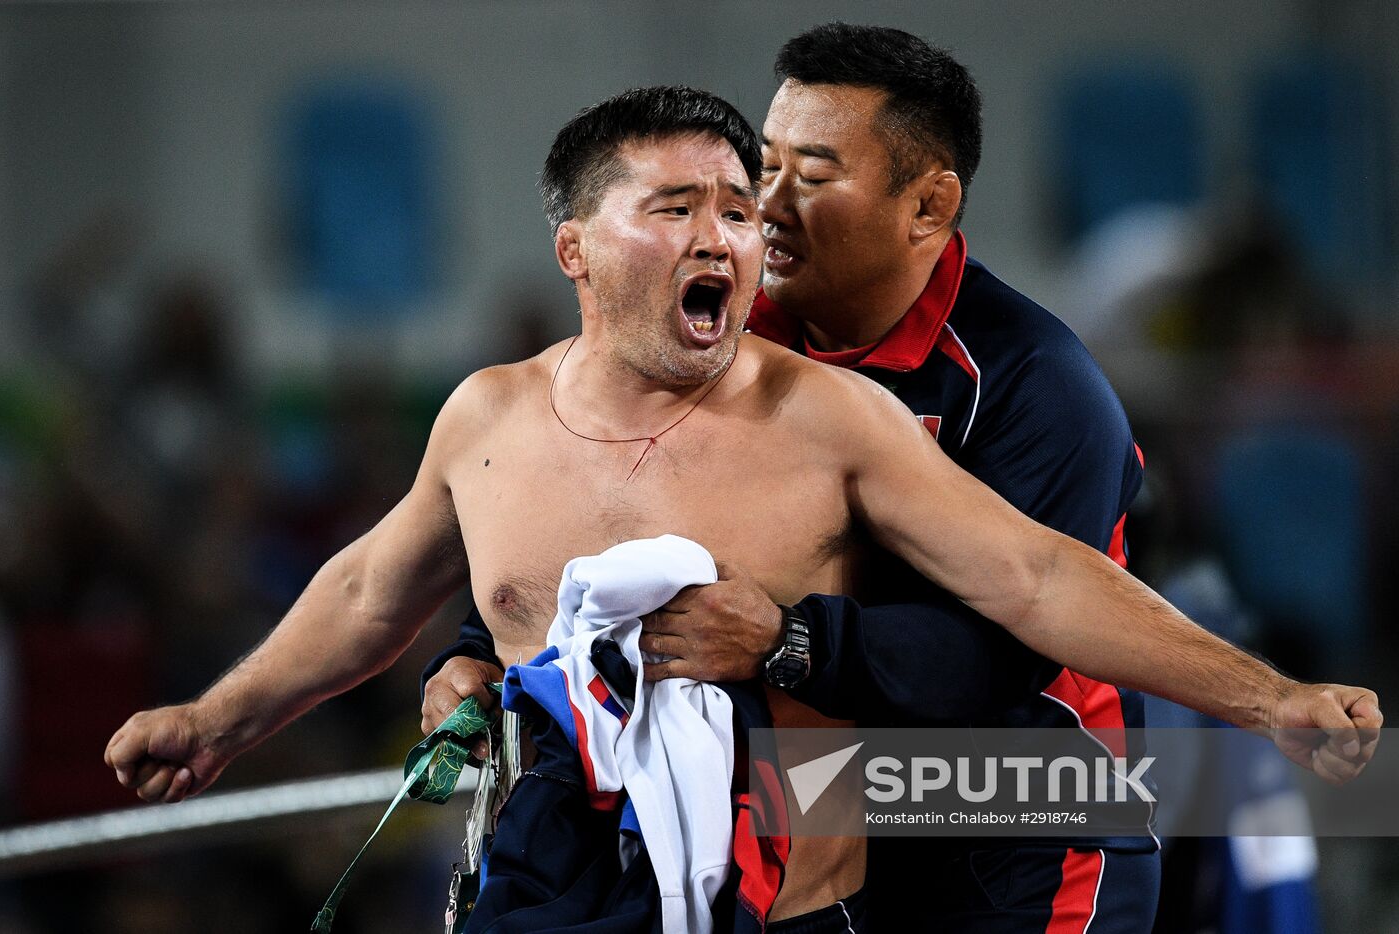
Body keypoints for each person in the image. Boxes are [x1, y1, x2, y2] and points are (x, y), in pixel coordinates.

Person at [107, 87, 1378, 932]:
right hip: (544, 890)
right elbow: (368, 590)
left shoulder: (828, 418)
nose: (724, 234)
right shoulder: (486, 419)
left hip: (792, 902)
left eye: (735, 206)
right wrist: (219, 717)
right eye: (673, 208)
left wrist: (1264, 698)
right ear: (579, 252)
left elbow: (1037, 580)